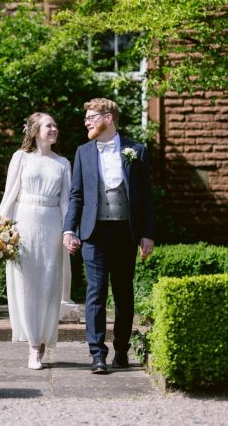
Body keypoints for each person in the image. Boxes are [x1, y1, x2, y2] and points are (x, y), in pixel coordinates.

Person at [63, 98, 155, 374]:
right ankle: (97, 354)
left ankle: (122, 351)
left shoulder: (136, 150)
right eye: (87, 117)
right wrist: (70, 229)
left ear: (109, 118)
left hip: (126, 232)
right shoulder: (83, 152)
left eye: (92, 116)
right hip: (94, 233)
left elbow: (147, 197)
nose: (87, 122)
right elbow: (76, 194)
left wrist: (147, 233)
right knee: (96, 293)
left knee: (124, 294)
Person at [0, 112, 72, 370]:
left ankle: (42, 339)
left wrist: (69, 232)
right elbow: (10, 193)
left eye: (55, 124)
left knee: (49, 285)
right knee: (26, 284)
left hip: (52, 224)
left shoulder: (63, 163)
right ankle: (32, 346)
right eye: (49, 125)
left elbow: (66, 203)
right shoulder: (21, 158)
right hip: (24, 224)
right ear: (35, 131)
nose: (54, 128)